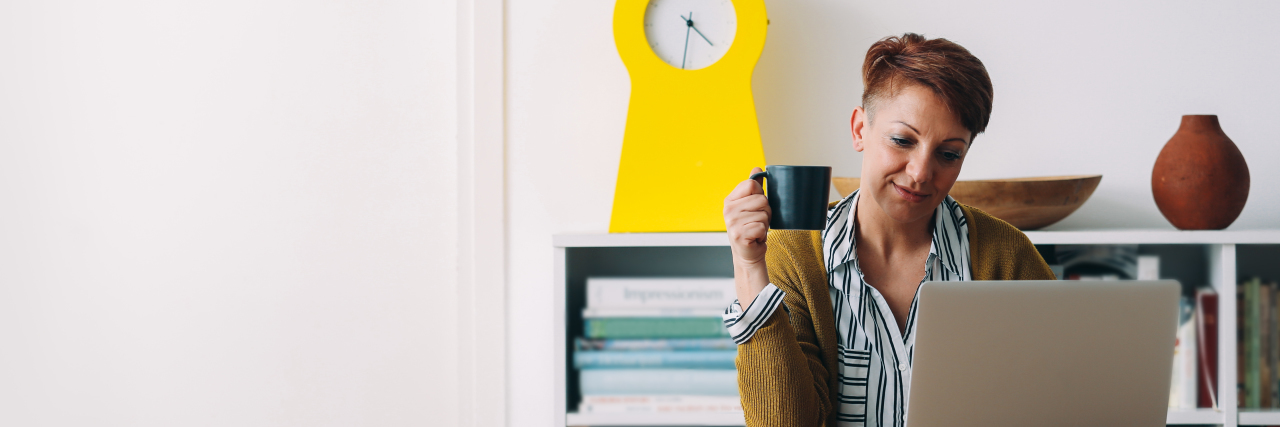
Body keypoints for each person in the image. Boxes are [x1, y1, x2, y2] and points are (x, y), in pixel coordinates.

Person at [720, 33, 1056, 427]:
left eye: (948, 154)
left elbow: (1058, 397)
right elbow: (784, 422)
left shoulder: (1004, 255)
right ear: (860, 129)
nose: (920, 173)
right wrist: (748, 266)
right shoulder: (794, 256)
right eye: (902, 140)